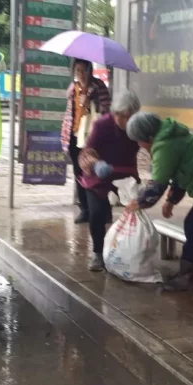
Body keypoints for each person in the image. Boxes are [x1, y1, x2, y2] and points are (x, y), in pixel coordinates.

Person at [125, 112, 193, 292]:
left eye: (139, 141)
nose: (139, 145)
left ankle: (187, 276)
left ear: (149, 137)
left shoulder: (164, 146)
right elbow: (178, 173)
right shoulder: (170, 136)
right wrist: (171, 200)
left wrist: (138, 203)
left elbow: (156, 186)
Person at [78, 89, 141, 272]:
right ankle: (98, 253)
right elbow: (87, 153)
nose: (129, 122)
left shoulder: (136, 129)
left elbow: (142, 152)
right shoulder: (102, 125)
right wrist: (96, 164)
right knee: (96, 213)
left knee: (133, 214)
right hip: (99, 174)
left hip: (125, 174)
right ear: (116, 113)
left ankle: (127, 252)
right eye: (125, 117)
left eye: (132, 117)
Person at [61, 59, 111, 224]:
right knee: (79, 173)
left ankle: (103, 210)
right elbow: (69, 113)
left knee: (96, 172)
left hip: (93, 137)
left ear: (90, 70)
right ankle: (85, 209)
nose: (80, 74)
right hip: (75, 136)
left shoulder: (99, 87)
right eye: (77, 70)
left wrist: (91, 103)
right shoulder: (73, 88)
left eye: (83, 70)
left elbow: (106, 111)